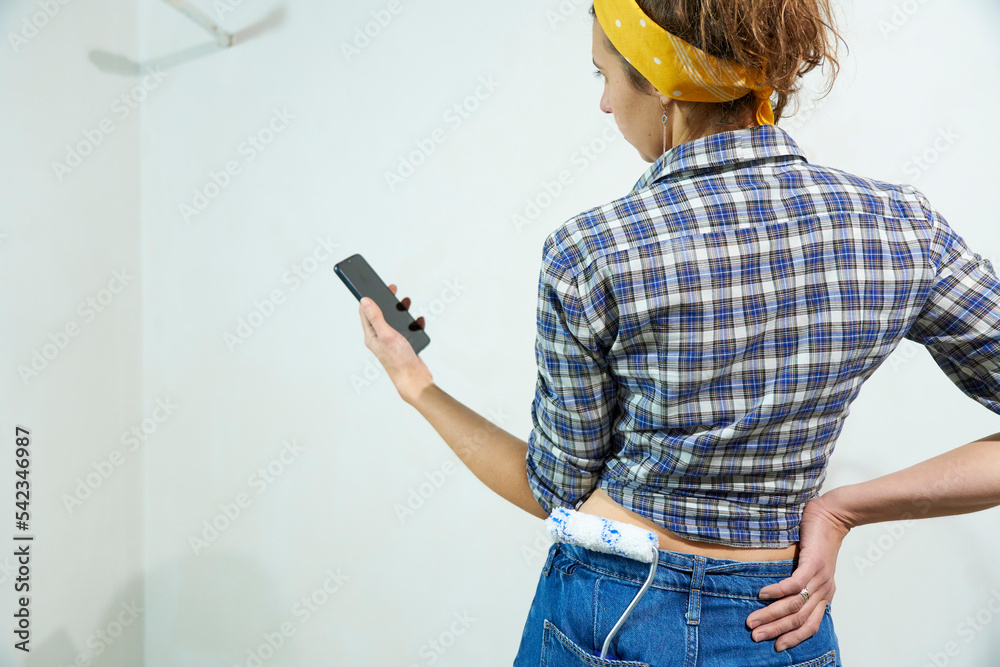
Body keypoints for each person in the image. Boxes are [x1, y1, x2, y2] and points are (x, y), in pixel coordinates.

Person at [357, 0, 1000, 664]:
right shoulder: (903, 227)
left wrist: (416, 384)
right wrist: (842, 510)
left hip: (611, 615)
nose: (605, 102)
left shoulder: (592, 251)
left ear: (663, 82)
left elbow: (555, 491)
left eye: (604, 74)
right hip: (780, 620)